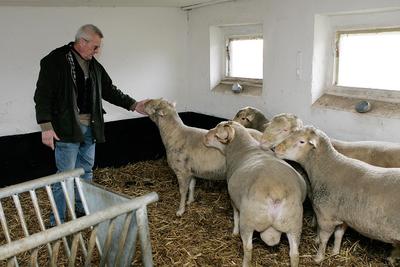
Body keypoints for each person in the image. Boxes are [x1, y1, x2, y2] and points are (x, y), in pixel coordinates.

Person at [34, 24, 148, 225]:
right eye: (95, 47)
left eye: (98, 47)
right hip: (67, 129)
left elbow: (109, 90)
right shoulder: (55, 61)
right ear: (81, 42)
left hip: (91, 127)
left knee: (86, 172)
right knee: (65, 177)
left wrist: (134, 104)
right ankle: (57, 222)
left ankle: (82, 211)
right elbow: (42, 95)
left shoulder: (93, 64)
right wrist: (46, 127)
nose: (98, 51)